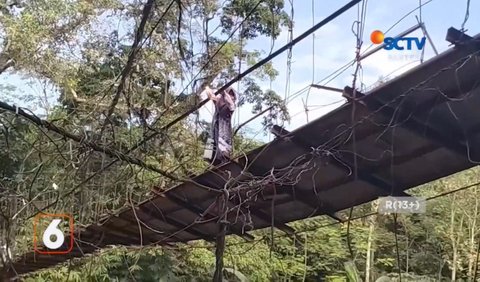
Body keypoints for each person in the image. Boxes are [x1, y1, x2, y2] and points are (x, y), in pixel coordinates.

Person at [203, 85, 236, 165]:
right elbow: (211, 96)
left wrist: (224, 92)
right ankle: (211, 168)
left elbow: (230, 102)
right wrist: (207, 87)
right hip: (213, 135)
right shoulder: (218, 105)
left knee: (222, 156)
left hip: (223, 138)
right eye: (230, 94)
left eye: (232, 95)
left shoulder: (229, 108)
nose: (231, 97)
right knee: (209, 156)